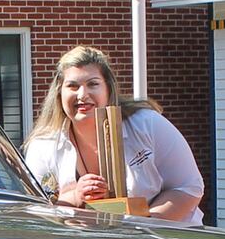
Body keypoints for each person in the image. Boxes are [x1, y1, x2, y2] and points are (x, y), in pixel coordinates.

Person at [23, 45, 204, 225]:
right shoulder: (43, 145)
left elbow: (188, 187)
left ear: (108, 89)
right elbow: (35, 211)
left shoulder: (147, 124)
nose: (82, 95)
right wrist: (76, 195)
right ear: (59, 93)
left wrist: (144, 227)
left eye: (93, 84)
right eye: (72, 86)